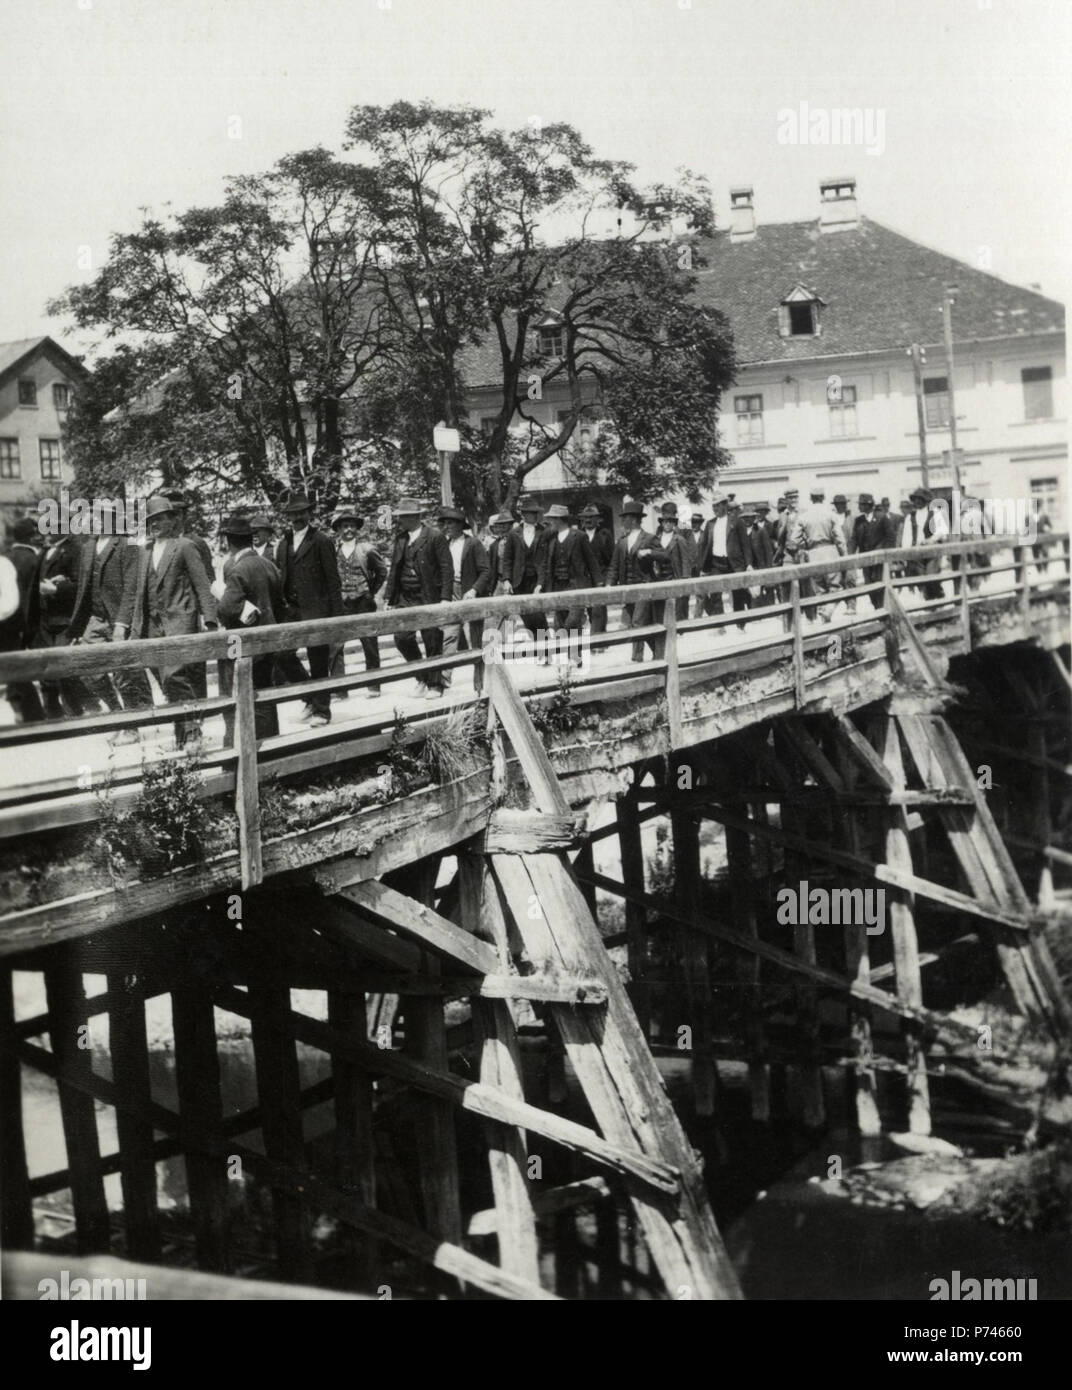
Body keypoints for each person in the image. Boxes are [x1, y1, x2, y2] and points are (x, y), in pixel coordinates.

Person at [121, 495, 218, 750]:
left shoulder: (184, 546)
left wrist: (210, 622)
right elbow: (137, 593)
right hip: (152, 628)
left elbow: (203, 586)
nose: (154, 524)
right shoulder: (144, 552)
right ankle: (182, 733)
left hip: (179, 622)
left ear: (172, 520)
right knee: (166, 682)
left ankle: (193, 733)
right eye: (149, 520)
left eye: (159, 519)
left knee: (175, 676)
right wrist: (134, 629)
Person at [67, 500, 153, 743]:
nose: (94, 519)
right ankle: (117, 713)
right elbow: (84, 589)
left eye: (100, 515)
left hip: (117, 619)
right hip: (94, 618)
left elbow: (131, 588)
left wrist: (122, 624)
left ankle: (131, 728)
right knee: (86, 667)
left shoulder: (127, 544)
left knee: (122, 674)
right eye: (93, 514)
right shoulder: (88, 547)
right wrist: (78, 625)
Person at [214, 514, 283, 744]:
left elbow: (226, 609)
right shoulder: (269, 565)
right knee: (265, 695)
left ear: (230, 541)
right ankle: (272, 746)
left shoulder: (238, 569)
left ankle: (245, 749)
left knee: (243, 696)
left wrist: (223, 596)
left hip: (245, 644)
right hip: (269, 639)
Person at [276, 493, 343, 726]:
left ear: (309, 514)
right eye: (293, 514)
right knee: (283, 656)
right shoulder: (283, 543)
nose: (297, 517)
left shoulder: (321, 541)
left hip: (317, 610)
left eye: (301, 513)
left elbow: (333, 581)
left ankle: (322, 711)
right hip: (291, 612)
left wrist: (337, 618)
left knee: (318, 659)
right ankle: (310, 698)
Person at [384, 496, 452, 699]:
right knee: (402, 638)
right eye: (400, 517)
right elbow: (394, 570)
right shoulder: (401, 539)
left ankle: (434, 684)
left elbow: (446, 568)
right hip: (406, 596)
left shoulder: (434, 536)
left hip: (428, 594)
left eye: (404, 517)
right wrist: (389, 598)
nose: (401, 520)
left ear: (415, 517)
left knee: (432, 638)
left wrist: (445, 598)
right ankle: (422, 676)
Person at [34, 519, 92, 719]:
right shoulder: (45, 551)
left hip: (64, 619)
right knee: (46, 667)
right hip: (45, 620)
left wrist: (56, 588)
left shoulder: (75, 550)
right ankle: (54, 713)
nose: (45, 532)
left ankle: (75, 710)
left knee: (63, 666)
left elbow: (80, 587)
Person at [328, 507, 386, 701]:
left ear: (357, 529)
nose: (348, 530)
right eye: (344, 526)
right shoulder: (332, 550)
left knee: (369, 643)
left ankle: (373, 685)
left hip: (362, 601)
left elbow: (382, 572)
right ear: (338, 529)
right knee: (335, 646)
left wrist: (371, 592)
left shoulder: (366, 549)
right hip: (341, 603)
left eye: (352, 526)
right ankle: (340, 688)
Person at [537, 504, 602, 666]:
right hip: (558, 586)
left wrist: (599, 583)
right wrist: (540, 584)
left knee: (572, 622)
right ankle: (574, 658)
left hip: (576, 585)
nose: (550, 522)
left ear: (560, 519)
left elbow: (591, 561)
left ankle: (575, 655)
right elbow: (546, 565)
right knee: (560, 621)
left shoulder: (578, 536)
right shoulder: (551, 539)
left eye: (552, 519)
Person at [437, 506, 490, 692]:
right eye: (444, 523)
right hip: (451, 592)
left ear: (460, 525)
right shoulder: (444, 544)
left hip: (469, 593)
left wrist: (474, 590)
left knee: (474, 638)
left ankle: (479, 683)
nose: (446, 527)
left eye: (450, 523)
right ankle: (444, 679)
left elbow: (485, 571)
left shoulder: (473, 544)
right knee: (449, 635)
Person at [2, 518, 45, 722]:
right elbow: (33, 599)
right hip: (29, 625)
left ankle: (20, 711)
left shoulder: (5, 558)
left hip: (6, 626)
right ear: (31, 536)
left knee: (13, 670)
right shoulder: (35, 559)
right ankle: (35, 717)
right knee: (24, 673)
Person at [606, 500, 659, 662]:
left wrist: (649, 552)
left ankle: (637, 659)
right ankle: (661, 653)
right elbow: (614, 565)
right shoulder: (622, 541)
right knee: (640, 624)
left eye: (625, 518)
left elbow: (665, 556)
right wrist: (609, 584)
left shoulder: (649, 538)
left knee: (637, 622)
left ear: (634, 519)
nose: (623, 521)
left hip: (644, 587)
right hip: (628, 588)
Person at [790, 484, 846, 622]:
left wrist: (805, 544)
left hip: (813, 554)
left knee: (820, 590)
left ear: (810, 498)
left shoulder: (804, 517)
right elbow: (839, 538)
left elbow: (794, 540)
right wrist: (844, 556)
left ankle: (824, 619)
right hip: (830, 551)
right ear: (823, 497)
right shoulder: (831, 514)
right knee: (836, 588)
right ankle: (828, 612)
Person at [513, 497, 550, 646]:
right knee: (526, 616)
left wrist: (541, 582)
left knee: (538, 615)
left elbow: (546, 558)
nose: (535, 516)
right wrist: (507, 580)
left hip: (536, 579)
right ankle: (538, 644)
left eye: (537, 513)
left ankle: (546, 649)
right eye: (531, 513)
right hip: (519, 581)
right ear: (523, 514)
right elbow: (508, 559)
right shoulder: (514, 533)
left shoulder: (544, 532)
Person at [902, 486, 947, 600]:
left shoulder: (935, 513)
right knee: (921, 579)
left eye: (920, 499)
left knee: (931, 575)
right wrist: (905, 553)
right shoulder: (910, 517)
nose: (917, 501)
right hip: (917, 553)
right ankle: (930, 604)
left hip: (931, 550)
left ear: (925, 500)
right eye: (915, 499)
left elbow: (942, 531)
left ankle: (939, 596)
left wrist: (930, 540)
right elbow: (906, 537)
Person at [578, 504, 614, 635]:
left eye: (591, 518)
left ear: (597, 519)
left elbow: (611, 559)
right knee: (590, 609)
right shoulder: (578, 536)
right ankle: (600, 637)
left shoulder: (605, 535)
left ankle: (598, 640)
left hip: (601, 578)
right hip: (585, 579)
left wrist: (608, 580)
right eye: (585, 518)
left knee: (599, 609)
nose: (588, 521)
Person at [851, 494, 886, 609]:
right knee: (869, 584)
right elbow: (854, 540)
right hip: (865, 559)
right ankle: (877, 607)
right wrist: (849, 555)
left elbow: (890, 537)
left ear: (868, 505)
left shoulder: (882, 517)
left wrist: (883, 551)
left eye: (861, 504)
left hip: (879, 559)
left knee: (879, 582)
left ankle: (882, 608)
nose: (859, 507)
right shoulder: (859, 520)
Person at [833, 493, 857, 615]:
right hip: (836, 553)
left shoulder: (851, 519)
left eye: (842, 504)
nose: (840, 506)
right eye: (838, 504)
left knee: (850, 578)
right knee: (838, 580)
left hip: (850, 552)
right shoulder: (832, 518)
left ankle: (851, 605)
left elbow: (855, 536)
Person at [748, 502, 776, 606]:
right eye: (758, 512)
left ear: (765, 513)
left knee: (769, 584)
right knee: (756, 586)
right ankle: (758, 607)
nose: (760, 514)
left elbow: (773, 539)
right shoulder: (751, 525)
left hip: (766, 555)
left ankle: (771, 606)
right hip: (756, 558)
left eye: (762, 512)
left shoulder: (770, 525)